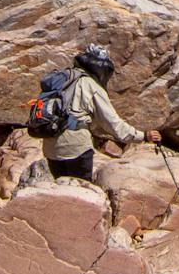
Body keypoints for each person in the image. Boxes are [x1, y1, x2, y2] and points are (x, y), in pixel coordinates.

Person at [41, 43, 159, 182]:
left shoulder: (64, 78)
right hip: (76, 148)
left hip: (50, 147)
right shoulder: (91, 85)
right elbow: (112, 123)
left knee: (61, 191)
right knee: (80, 193)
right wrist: (143, 136)